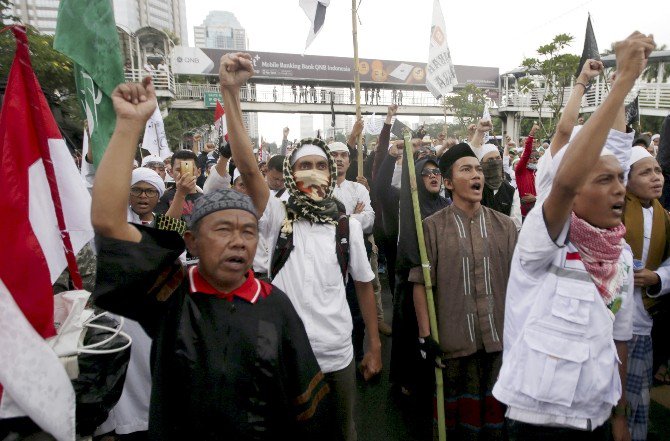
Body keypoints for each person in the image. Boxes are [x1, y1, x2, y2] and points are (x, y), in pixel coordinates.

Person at [90, 77, 330, 441]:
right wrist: (128, 126)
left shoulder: (276, 306)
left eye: (248, 232)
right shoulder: (171, 294)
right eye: (222, 231)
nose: (238, 242)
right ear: (192, 241)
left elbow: (306, 412)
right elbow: (108, 223)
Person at [493, 31, 655, 441]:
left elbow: (620, 337)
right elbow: (564, 179)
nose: (620, 189)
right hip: (536, 421)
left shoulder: (618, 255)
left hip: (594, 419)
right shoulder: (544, 239)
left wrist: (618, 415)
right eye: (604, 180)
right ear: (573, 190)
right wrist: (619, 86)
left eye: (621, 179)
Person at [219, 52, 381, 441]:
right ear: (290, 176)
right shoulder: (276, 216)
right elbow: (247, 166)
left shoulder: (347, 227)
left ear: (332, 173)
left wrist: (373, 345)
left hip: (338, 353)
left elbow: (362, 284)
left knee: (345, 431)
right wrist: (230, 92)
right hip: (284, 355)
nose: (312, 172)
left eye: (321, 165)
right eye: (303, 165)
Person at [411, 143, 518, 440]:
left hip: (499, 345)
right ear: (448, 182)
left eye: (479, 170)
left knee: (496, 429)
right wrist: (426, 335)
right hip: (454, 346)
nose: (477, 176)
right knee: (459, 430)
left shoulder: (506, 227)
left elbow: (520, 284)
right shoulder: (430, 228)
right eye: (467, 169)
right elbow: (420, 282)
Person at [622, 146, 670, 441]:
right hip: (613, 322)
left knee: (637, 399)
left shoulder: (663, 215)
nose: (656, 178)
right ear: (625, 181)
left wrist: (657, 277)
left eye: (658, 171)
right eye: (646, 172)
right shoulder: (612, 207)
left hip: (644, 321)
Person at [479, 143, 522, 229]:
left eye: (498, 158)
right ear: (481, 163)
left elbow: (516, 223)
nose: (495, 162)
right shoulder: (476, 188)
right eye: (490, 160)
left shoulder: (510, 191)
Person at [156, 150, 203, 222]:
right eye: (179, 169)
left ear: (199, 172)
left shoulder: (206, 199)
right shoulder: (162, 197)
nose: (184, 174)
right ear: (171, 172)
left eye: (190, 169)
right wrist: (181, 193)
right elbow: (165, 226)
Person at [515, 124, 540, 218]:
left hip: (539, 214)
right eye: (531, 158)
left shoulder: (538, 172)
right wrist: (531, 134)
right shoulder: (520, 171)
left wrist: (535, 198)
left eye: (536, 158)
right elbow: (526, 153)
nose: (533, 159)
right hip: (524, 216)